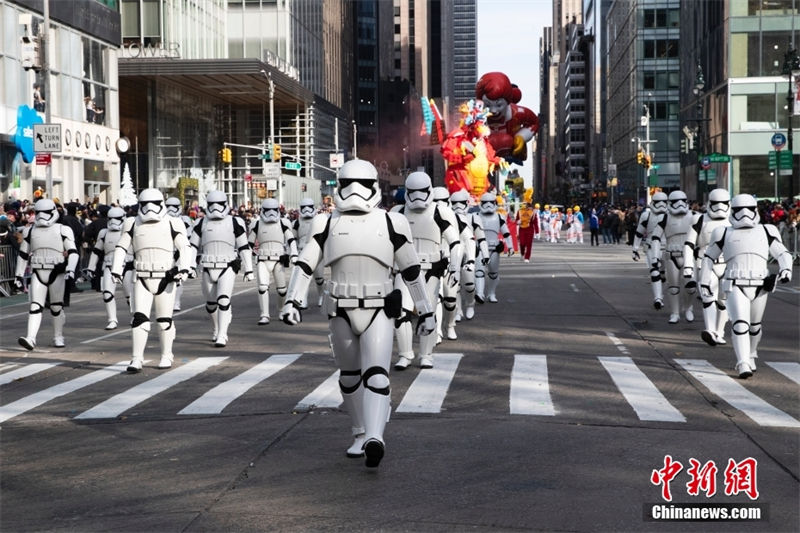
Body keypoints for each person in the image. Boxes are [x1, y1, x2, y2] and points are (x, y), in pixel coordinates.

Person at [279, 159, 435, 468]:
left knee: (377, 375)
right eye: (347, 183)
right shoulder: (326, 222)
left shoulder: (392, 222)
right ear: (337, 186)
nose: (354, 191)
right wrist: (292, 300)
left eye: (362, 184)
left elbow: (412, 270)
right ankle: (360, 432)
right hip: (340, 309)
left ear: (374, 187)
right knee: (350, 378)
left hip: (378, 308)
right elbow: (306, 263)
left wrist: (427, 310)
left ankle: (376, 436)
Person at [700, 194, 793, 378]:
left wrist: (786, 270)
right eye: (739, 210)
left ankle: (751, 354)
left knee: (754, 326)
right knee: (740, 324)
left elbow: (782, 253)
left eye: (749, 209)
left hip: (761, 285)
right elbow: (709, 257)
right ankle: (742, 362)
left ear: (755, 210)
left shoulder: (767, 230)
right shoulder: (723, 232)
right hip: (736, 284)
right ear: (732, 211)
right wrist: (704, 280)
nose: (744, 214)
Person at [111, 188, 191, 371]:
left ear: (161, 203)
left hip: (165, 276)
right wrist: (116, 269)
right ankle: (136, 358)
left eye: (154, 204)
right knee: (139, 318)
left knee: (164, 320)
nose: (150, 208)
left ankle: (166, 354)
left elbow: (185, 247)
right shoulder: (132, 223)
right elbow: (121, 247)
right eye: (145, 204)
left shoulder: (173, 222)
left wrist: (185, 268)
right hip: (142, 277)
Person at [392, 173, 461, 370]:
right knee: (401, 313)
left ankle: (426, 354)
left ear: (429, 190)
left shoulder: (440, 212)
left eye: (422, 191)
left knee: (428, 312)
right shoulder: (398, 212)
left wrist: (454, 266)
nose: (417, 196)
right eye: (413, 192)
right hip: (404, 269)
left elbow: (455, 242)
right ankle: (405, 354)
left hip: (431, 269)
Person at [190, 190, 254, 347]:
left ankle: (222, 334)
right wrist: (190, 266)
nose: (216, 208)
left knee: (224, 300)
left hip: (227, 265)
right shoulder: (201, 223)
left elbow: (244, 246)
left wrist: (249, 268)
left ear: (225, 204)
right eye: (212, 205)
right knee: (211, 304)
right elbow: (192, 246)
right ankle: (217, 327)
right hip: (207, 265)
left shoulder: (234, 222)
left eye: (219, 204)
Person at [14, 199, 79, 350]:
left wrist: (70, 269)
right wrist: (18, 275)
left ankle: (58, 336)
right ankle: (31, 338)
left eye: (46, 213)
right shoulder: (30, 230)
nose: (42, 216)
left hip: (57, 271)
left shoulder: (63, 229)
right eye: (39, 213)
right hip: (38, 271)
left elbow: (73, 252)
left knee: (56, 307)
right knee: (35, 305)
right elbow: (23, 254)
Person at [683, 188, 731, 346]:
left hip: (728, 264)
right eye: (716, 203)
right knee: (708, 297)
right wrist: (688, 267)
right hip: (705, 262)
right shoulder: (700, 220)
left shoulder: (733, 220)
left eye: (723, 203)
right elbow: (689, 244)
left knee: (724, 301)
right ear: (710, 203)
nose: (720, 207)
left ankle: (719, 331)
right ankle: (710, 330)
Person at [650, 191, 697, 324]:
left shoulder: (694, 216)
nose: (680, 204)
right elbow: (655, 238)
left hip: (689, 255)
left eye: (683, 200)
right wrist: (655, 256)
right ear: (670, 203)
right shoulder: (664, 218)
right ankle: (675, 313)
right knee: (673, 287)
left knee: (691, 287)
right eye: (676, 202)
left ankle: (688, 307)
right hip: (671, 255)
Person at [249, 198, 297, 325]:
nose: (271, 213)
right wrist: (247, 263)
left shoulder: (283, 223)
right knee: (263, 287)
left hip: (278, 259)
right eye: (268, 210)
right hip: (263, 259)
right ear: (262, 211)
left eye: (273, 210)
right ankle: (264, 314)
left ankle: (281, 310)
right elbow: (249, 243)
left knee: (282, 290)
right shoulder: (257, 224)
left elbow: (291, 239)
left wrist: (294, 254)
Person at [84, 207, 133, 330]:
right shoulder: (104, 233)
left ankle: (135, 315)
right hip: (109, 265)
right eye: (111, 219)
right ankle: (112, 319)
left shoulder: (129, 231)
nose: (113, 222)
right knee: (107, 293)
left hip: (127, 265)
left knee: (129, 295)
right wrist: (91, 267)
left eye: (116, 219)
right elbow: (96, 250)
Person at [474, 72, 539, 164]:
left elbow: (534, 122)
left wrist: (521, 136)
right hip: (484, 155)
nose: (493, 110)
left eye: (499, 105)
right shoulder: (475, 116)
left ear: (507, 102)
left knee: (505, 140)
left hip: (511, 151)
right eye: (488, 105)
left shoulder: (517, 112)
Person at [450, 189, 489, 321]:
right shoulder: (448, 217)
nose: (458, 206)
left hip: (470, 252)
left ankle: (470, 304)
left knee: (469, 284)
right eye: (454, 203)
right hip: (454, 252)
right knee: (455, 284)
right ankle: (458, 310)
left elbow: (481, 238)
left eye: (461, 203)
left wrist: (486, 254)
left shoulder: (473, 217)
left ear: (466, 203)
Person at [632, 192, 668, 309]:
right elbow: (639, 232)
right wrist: (635, 248)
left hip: (669, 247)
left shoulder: (671, 215)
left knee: (666, 274)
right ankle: (658, 298)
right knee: (654, 271)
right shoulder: (646, 215)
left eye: (664, 202)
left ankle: (661, 294)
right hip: (651, 246)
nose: (661, 205)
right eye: (658, 202)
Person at [475, 191, 514, 303]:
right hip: (480, 248)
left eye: (491, 202)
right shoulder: (476, 216)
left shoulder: (499, 217)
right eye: (485, 202)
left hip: (494, 248)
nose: (488, 205)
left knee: (493, 273)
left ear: (495, 203)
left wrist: (510, 247)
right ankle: (480, 293)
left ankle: (491, 293)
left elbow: (506, 233)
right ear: (481, 203)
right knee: (479, 272)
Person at [292, 198, 325, 307]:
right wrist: (292, 253)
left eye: (309, 207)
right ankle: (302, 299)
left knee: (319, 278)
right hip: (302, 251)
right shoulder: (296, 223)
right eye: (304, 207)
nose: (306, 210)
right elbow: (292, 239)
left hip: (317, 252)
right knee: (302, 278)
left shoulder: (319, 221)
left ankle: (321, 296)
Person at [166, 197, 193, 311]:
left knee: (178, 278)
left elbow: (189, 238)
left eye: (174, 207)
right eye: (168, 207)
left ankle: (176, 301)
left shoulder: (184, 220)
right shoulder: (162, 220)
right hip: (167, 251)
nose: (171, 210)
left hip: (180, 250)